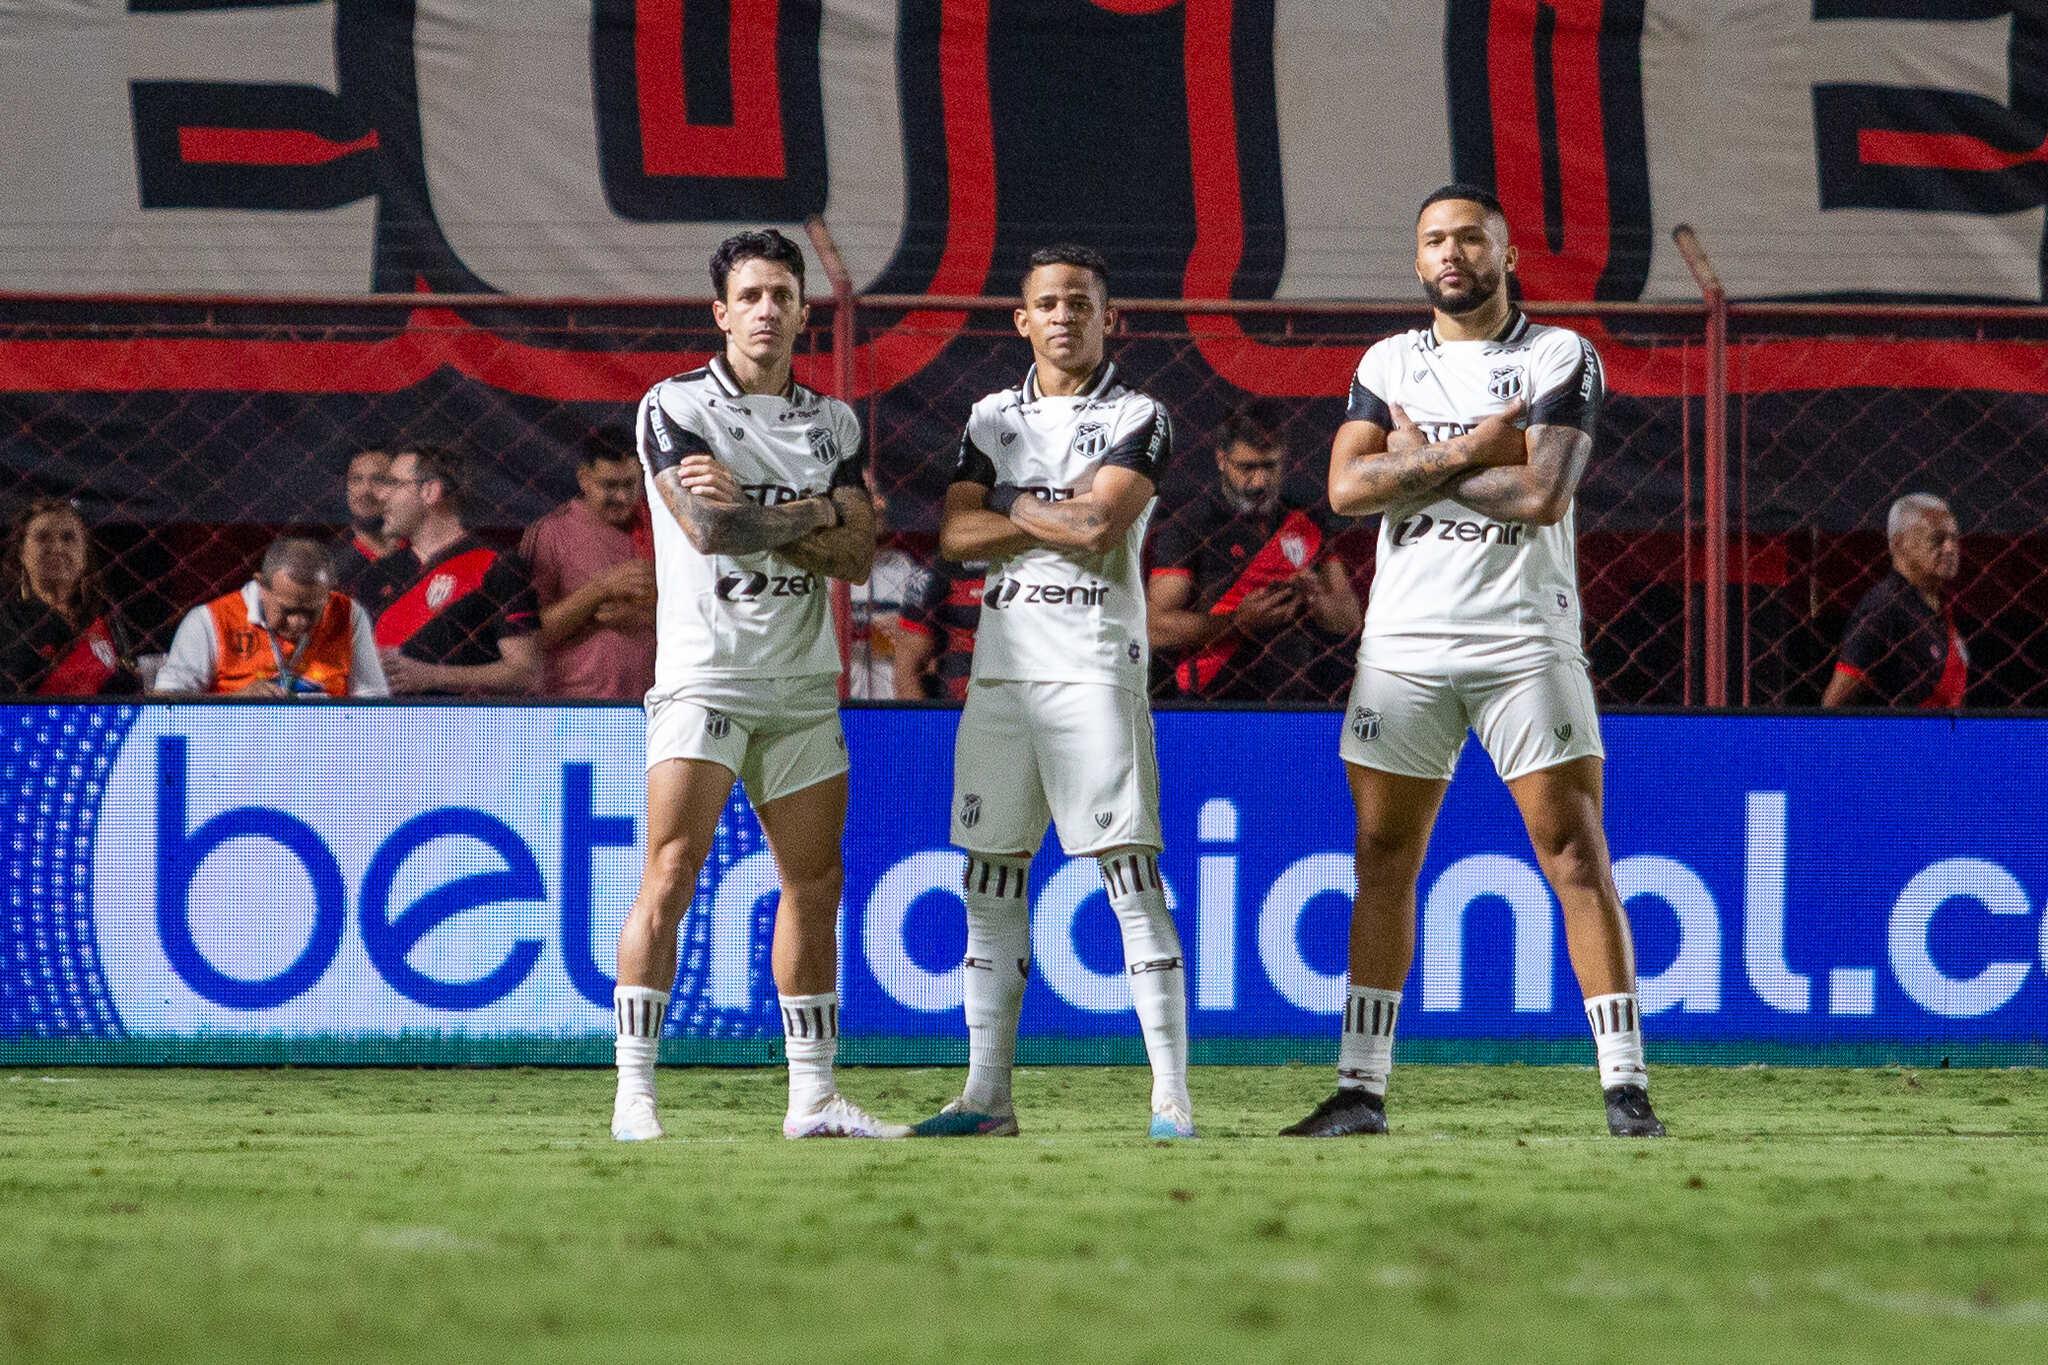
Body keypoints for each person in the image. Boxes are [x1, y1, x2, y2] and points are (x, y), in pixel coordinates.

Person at [1284, 184, 1665, 1140]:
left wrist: (1419, 460)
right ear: (1417, 263)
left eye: (1470, 238)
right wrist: (1477, 446)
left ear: (1507, 254)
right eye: (1435, 241)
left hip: (1522, 644)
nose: (1452, 253)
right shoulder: (1386, 360)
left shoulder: (1557, 353)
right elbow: (1342, 486)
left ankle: (1626, 1088)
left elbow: (1542, 494)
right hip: (1403, 649)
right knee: (1382, 857)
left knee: (1574, 853)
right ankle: (1360, 1090)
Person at [609, 228, 901, 1142]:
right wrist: (816, 510)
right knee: (671, 869)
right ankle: (635, 1092)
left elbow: (857, 549)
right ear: (721, 312)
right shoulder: (674, 403)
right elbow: (705, 530)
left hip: (803, 683)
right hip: (706, 676)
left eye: (783, 293)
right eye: (752, 295)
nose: (768, 309)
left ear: (804, 309)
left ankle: (812, 1097)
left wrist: (770, 507)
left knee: (814, 882)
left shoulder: (835, 422)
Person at [915, 244, 1194, 1141]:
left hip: (1093, 670)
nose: (1065, 315)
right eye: (1049, 302)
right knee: (990, 882)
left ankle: (1171, 1101)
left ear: (1110, 318)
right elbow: (954, 534)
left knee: (1130, 878)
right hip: (1000, 678)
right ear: (1021, 320)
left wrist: (1016, 505)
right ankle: (986, 1094)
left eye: (1082, 301)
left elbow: (1096, 524)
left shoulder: (1141, 414)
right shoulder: (990, 414)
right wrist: (1046, 509)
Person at [1146, 401, 1361, 701]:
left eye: (1270, 466)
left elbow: (1349, 620)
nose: (1259, 481)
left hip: (1297, 696)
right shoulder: (1190, 525)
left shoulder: (1306, 520)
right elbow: (1155, 627)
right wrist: (1236, 623)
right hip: (1211, 697)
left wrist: (1315, 596)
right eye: (1247, 467)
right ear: (1222, 460)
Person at [357, 446, 542, 696]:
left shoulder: (495, 565)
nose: (381, 495)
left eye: (394, 484)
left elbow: (527, 673)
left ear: (430, 491)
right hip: (384, 726)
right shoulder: (378, 572)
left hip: (466, 727)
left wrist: (434, 677)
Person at [153, 537, 387, 697]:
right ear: (262, 586)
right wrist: (234, 701)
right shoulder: (211, 620)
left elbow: (375, 702)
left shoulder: (348, 614)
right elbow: (165, 701)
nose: (298, 622)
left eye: (312, 612)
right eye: (287, 610)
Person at [521, 435, 657, 699]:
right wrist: (600, 589)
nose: (621, 496)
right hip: (575, 704)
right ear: (584, 478)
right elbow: (530, 637)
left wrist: (642, 617)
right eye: (609, 485)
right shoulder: (552, 533)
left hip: (654, 703)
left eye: (630, 485)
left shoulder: (659, 527)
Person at [1822, 493, 1967, 708]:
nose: (1950, 548)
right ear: (1900, 544)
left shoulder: (1938, 608)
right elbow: (1834, 705)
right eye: (1937, 539)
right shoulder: (1884, 607)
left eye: (1953, 539)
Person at [0, 497, 136, 695]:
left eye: (68, 537)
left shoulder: (108, 620)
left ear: (85, 553)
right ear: (21, 551)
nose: (57, 548)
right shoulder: (8, 620)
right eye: (42, 537)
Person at [893, 558, 985, 701]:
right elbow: (905, 672)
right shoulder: (933, 571)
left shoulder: (1028, 565)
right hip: (953, 708)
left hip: (1018, 703)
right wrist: (926, 722)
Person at [334, 450, 403, 597]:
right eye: (356, 479)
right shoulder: (333, 562)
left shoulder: (420, 547)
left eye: (379, 479)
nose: (365, 490)